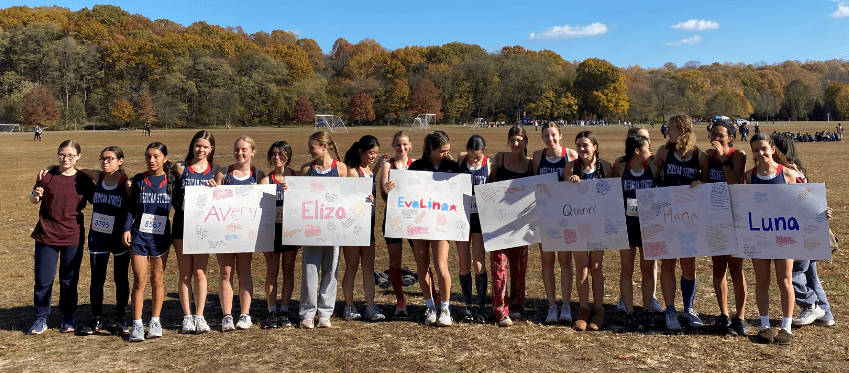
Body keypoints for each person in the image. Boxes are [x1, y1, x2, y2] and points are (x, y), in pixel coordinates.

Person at [27, 140, 95, 335]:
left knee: (69, 280)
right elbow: (33, 199)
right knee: (43, 279)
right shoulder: (47, 176)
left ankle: (68, 317)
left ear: (78, 157)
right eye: (62, 155)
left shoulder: (82, 179)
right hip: (46, 234)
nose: (66, 159)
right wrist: (35, 194)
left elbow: (97, 197)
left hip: (72, 235)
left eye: (70, 156)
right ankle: (40, 318)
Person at [772, 134, 835, 328]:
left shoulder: (787, 171)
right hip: (811, 227)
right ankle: (825, 314)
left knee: (795, 271)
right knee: (811, 274)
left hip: (799, 228)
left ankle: (811, 304)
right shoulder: (797, 167)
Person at [653, 115, 705, 330]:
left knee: (688, 264)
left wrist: (700, 183)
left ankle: (689, 308)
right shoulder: (664, 151)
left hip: (689, 218)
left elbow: (708, 183)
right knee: (668, 263)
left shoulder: (699, 155)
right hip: (667, 215)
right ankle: (670, 309)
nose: (668, 131)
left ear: (683, 130)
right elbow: (652, 175)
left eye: (671, 128)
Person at [744, 133, 797, 345]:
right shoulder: (749, 177)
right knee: (762, 282)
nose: (761, 153)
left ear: (773, 149)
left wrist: (821, 213)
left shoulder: (788, 175)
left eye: (764, 148)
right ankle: (764, 325)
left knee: (785, 281)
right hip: (759, 236)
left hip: (784, 236)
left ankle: (786, 327)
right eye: (756, 150)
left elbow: (800, 206)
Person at [699, 121, 750, 336]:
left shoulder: (738, 154)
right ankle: (723, 313)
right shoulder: (706, 156)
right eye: (713, 134)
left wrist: (721, 157)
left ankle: (741, 316)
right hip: (714, 218)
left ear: (730, 136)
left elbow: (734, 182)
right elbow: (703, 182)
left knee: (736, 269)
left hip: (734, 218)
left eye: (721, 135)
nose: (716, 139)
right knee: (718, 268)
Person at [211, 136, 265, 332]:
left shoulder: (258, 174)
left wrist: (258, 191)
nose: (240, 153)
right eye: (237, 150)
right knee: (226, 272)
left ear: (252, 152)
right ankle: (227, 315)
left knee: (244, 272)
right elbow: (214, 200)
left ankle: (245, 314)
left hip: (245, 232)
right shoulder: (223, 173)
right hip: (224, 231)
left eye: (244, 150)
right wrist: (212, 190)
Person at [76, 147, 131, 335]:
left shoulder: (126, 183)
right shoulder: (99, 177)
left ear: (120, 161)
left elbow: (133, 210)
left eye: (110, 159)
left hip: (118, 239)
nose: (105, 162)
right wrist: (52, 167)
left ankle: (122, 319)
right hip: (98, 237)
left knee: (120, 278)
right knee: (97, 279)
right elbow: (78, 168)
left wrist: (127, 230)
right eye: (103, 159)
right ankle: (96, 319)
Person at [407, 131, 460, 326]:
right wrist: (391, 188)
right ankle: (429, 307)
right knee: (422, 266)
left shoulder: (453, 167)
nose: (446, 154)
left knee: (441, 265)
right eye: (442, 151)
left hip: (442, 223)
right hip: (419, 222)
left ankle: (445, 309)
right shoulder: (416, 167)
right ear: (430, 149)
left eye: (448, 150)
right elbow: (406, 193)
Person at [125, 142, 175, 342]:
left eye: (156, 156)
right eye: (148, 156)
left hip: (161, 238)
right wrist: (126, 229)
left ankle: (155, 320)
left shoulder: (172, 180)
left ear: (165, 158)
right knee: (139, 281)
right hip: (139, 237)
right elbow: (131, 208)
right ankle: (136, 323)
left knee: (157, 280)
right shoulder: (138, 180)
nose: (151, 160)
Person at [298, 131, 348, 329]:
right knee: (310, 271)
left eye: (313, 147)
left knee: (330, 271)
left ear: (324, 147)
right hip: (311, 229)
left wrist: (365, 199)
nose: (310, 151)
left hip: (333, 229)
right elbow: (300, 198)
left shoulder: (341, 168)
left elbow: (348, 196)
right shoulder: (305, 169)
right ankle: (308, 313)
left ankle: (326, 312)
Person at [171, 130, 219, 334]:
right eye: (198, 145)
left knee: (200, 273)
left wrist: (216, 189)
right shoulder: (180, 167)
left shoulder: (216, 169)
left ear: (211, 149)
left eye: (205, 147)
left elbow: (223, 200)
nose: (201, 149)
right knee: (184, 273)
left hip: (203, 227)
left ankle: (200, 315)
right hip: (182, 224)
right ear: (192, 145)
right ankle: (187, 317)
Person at [532, 122, 579, 324]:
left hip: (567, 216)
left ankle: (566, 305)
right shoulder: (537, 156)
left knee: (565, 261)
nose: (550, 139)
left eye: (553, 135)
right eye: (546, 135)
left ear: (560, 135)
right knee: (547, 262)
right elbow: (533, 182)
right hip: (545, 216)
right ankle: (552, 305)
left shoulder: (571, 155)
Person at [566, 131, 613, 331]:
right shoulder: (571, 166)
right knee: (582, 267)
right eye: (578, 145)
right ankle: (583, 310)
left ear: (595, 146)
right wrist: (571, 182)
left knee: (596, 267)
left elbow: (612, 196)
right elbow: (564, 195)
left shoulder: (607, 167)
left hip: (599, 224)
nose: (581, 149)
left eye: (585, 145)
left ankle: (599, 311)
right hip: (577, 223)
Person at [614, 135, 660, 331]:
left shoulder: (654, 169)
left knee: (648, 270)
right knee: (627, 270)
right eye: (648, 148)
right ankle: (630, 312)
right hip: (626, 225)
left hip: (648, 225)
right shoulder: (621, 168)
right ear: (637, 151)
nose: (651, 151)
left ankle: (647, 310)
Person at [489, 126, 533, 327]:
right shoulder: (500, 158)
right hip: (499, 220)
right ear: (508, 141)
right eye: (513, 140)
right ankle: (499, 307)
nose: (516, 144)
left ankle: (517, 305)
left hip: (522, 223)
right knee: (499, 264)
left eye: (520, 140)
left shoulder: (531, 164)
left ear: (526, 142)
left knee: (519, 265)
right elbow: (490, 184)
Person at [341, 135, 385, 322]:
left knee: (369, 267)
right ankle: (349, 307)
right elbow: (345, 198)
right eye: (371, 153)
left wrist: (379, 167)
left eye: (376, 153)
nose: (373, 156)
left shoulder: (367, 171)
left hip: (368, 226)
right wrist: (361, 199)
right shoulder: (351, 172)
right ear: (361, 152)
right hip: (352, 228)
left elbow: (370, 178)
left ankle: (369, 306)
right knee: (351, 267)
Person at [258, 141, 300, 328]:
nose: (276, 158)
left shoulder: (296, 177)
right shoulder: (265, 181)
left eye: (281, 154)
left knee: (288, 270)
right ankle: (272, 311)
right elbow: (258, 214)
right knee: (272, 272)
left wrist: (293, 193)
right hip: (272, 232)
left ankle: (284, 309)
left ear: (288, 156)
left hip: (290, 230)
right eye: (273, 154)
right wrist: (263, 241)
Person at [377, 131, 416, 316]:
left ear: (410, 145)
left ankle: (433, 296)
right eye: (398, 144)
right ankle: (400, 300)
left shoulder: (415, 164)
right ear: (393, 145)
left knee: (422, 260)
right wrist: (387, 189)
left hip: (414, 218)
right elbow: (383, 192)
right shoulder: (387, 165)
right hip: (393, 218)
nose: (402, 148)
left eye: (405, 144)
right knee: (395, 262)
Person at [456, 135, 492, 323]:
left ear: (484, 152)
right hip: (462, 217)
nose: (474, 159)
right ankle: (468, 306)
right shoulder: (461, 159)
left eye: (477, 156)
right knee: (463, 263)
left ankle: (481, 307)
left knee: (478, 263)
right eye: (471, 155)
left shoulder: (490, 164)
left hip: (479, 219)